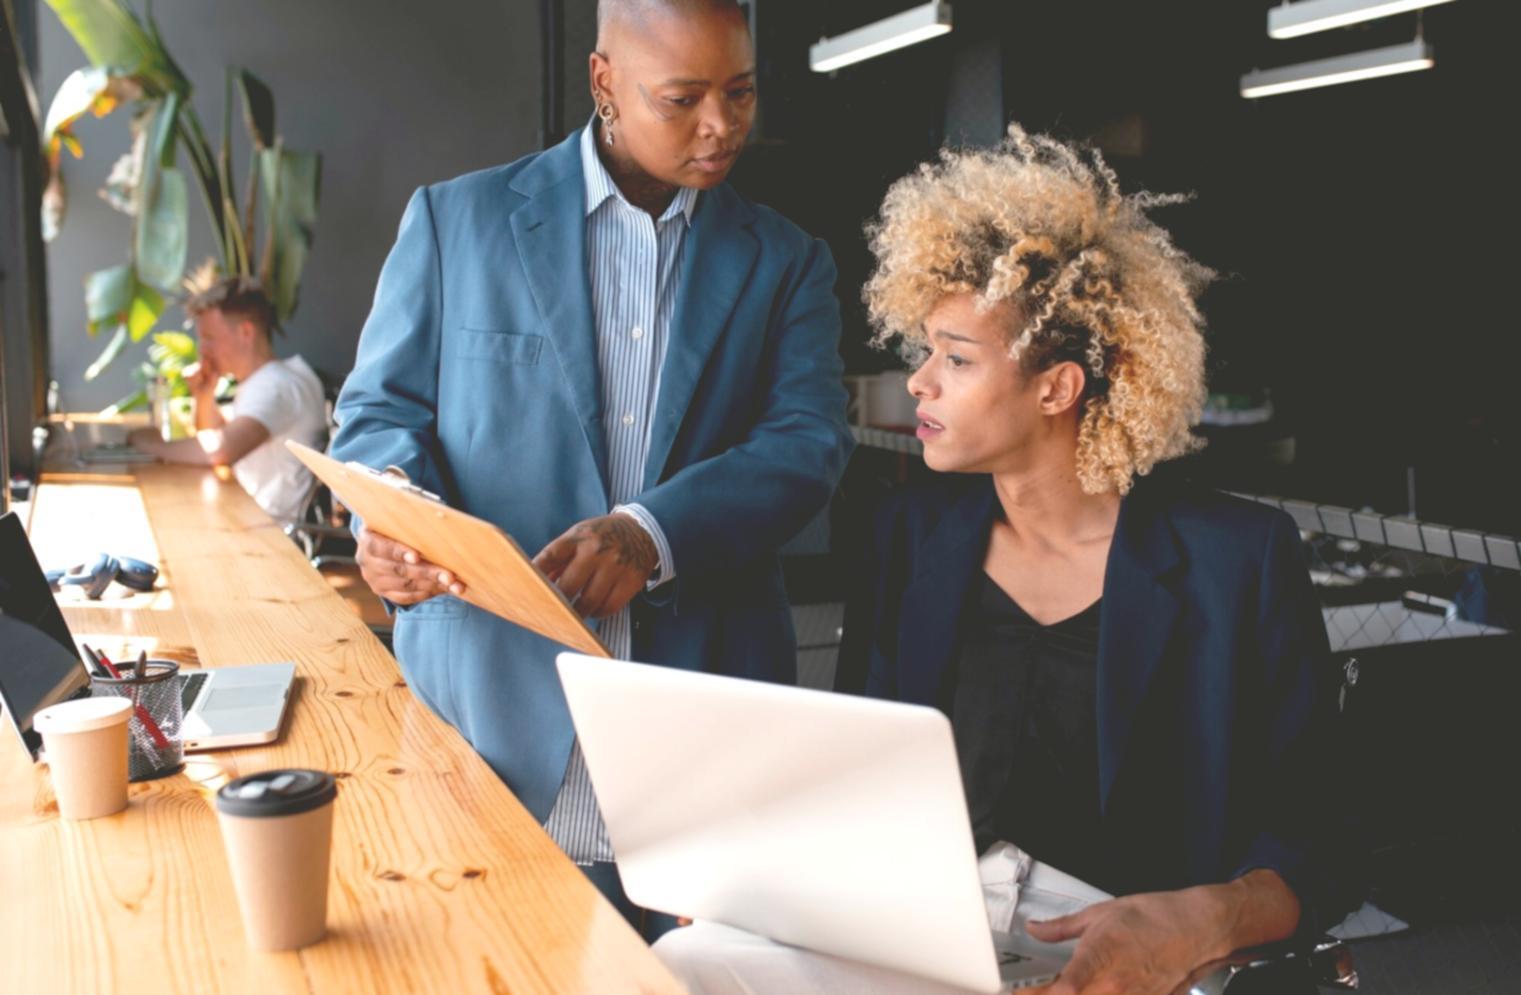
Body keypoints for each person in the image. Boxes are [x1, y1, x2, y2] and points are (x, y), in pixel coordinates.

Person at [654, 125, 1358, 993]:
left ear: (1056, 387)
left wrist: (1201, 917)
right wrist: (765, 883)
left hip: (1136, 954)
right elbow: (860, 776)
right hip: (927, 929)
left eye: (955, 359)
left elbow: (1319, 842)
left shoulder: (1235, 560)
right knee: (683, 959)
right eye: (924, 352)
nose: (918, 382)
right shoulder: (906, 534)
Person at [328, 0, 852, 934]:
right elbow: (378, 413)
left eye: (740, 92)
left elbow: (808, 444)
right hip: (486, 725)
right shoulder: (458, 222)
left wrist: (653, 533)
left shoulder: (788, 262)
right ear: (604, 81)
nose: (721, 125)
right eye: (683, 98)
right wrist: (395, 518)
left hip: (702, 741)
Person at [128, 276, 326, 526]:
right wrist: (204, 394)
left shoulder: (275, 386)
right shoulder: (280, 377)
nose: (203, 350)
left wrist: (152, 445)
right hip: (254, 519)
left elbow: (219, 450)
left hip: (270, 532)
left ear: (246, 332)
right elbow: (215, 435)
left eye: (209, 337)